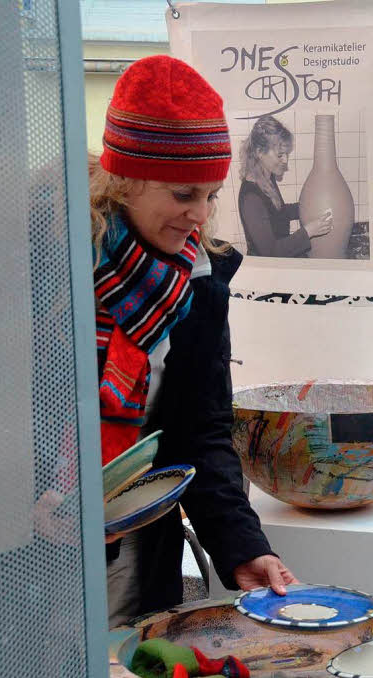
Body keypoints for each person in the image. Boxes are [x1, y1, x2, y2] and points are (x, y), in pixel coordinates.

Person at [92, 55, 297, 626]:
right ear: (124, 176)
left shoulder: (199, 280)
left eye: (210, 194)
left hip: (138, 563)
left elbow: (200, 434)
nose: (200, 214)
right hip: (32, 561)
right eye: (185, 193)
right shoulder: (48, 268)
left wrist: (243, 545)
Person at [237, 115, 332, 257]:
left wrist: (308, 206)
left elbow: (278, 214)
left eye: (286, 154)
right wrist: (308, 231)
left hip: (281, 256)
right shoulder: (251, 197)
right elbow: (271, 252)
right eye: (280, 155)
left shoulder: (267, 178)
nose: (285, 160)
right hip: (266, 267)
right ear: (259, 152)